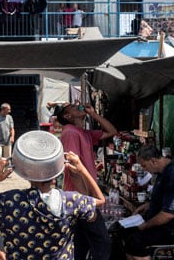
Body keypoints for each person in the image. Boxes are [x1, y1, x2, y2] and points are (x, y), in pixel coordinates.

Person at [0, 133, 106, 259]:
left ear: (25, 174)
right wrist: (81, 169)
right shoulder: (71, 201)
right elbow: (100, 200)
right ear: (56, 174)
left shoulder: (8, 202)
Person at [54, 101, 118, 260]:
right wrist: (85, 202)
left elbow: (112, 131)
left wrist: (93, 114)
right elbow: (72, 167)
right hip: (81, 197)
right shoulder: (70, 132)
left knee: (81, 243)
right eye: (73, 107)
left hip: (82, 198)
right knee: (102, 241)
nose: (78, 105)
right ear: (67, 115)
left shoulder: (83, 132)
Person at [123, 144, 174, 260]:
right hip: (162, 227)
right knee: (125, 234)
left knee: (135, 242)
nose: (144, 169)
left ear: (153, 161)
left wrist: (145, 225)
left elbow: (168, 214)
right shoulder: (162, 173)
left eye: (144, 166)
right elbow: (165, 199)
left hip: (172, 230)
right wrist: (148, 205)